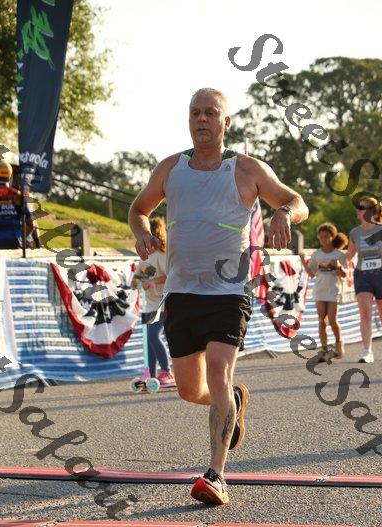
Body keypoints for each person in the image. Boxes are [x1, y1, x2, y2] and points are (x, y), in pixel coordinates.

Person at [129, 88, 308, 505]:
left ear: (226, 122)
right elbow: (139, 209)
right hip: (181, 292)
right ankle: (234, 401)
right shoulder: (171, 168)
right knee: (191, 390)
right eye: (195, 112)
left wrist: (283, 213)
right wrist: (142, 233)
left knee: (219, 371)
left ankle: (216, 475)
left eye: (211, 113)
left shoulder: (246, 168)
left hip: (229, 291)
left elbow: (296, 201)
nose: (202, 119)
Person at [346, 196, 382, 363]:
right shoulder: (354, 233)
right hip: (362, 275)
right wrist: (334, 260)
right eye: (358, 207)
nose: (359, 210)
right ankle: (367, 351)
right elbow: (349, 256)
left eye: (362, 207)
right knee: (365, 313)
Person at [132, 217, 175, 386]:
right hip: (149, 303)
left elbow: (169, 276)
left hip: (163, 302)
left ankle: (166, 371)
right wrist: (140, 282)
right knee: (149, 340)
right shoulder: (148, 257)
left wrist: (152, 282)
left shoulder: (163, 254)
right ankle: (149, 373)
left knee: (153, 335)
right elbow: (137, 281)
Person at [300, 223, 347, 362]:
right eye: (321, 237)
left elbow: (345, 274)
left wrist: (338, 268)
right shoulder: (316, 254)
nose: (324, 239)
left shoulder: (339, 254)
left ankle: (339, 344)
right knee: (321, 320)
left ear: (333, 237)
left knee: (332, 320)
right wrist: (303, 261)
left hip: (334, 290)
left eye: (326, 236)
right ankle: (324, 349)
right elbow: (312, 274)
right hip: (320, 291)